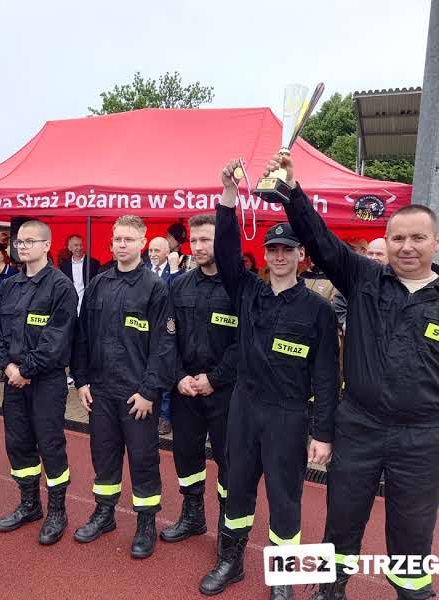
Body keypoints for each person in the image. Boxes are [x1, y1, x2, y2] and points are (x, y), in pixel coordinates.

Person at [263, 152, 439, 600]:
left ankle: (412, 592)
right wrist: (292, 193)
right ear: (386, 242)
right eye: (397, 238)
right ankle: (330, 589)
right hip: (359, 427)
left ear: (437, 241)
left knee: (413, 529)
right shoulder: (364, 279)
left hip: (421, 437)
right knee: (343, 519)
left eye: (417, 238)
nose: (406, 246)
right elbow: (320, 241)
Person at [199, 164, 339, 600]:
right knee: (236, 488)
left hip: (289, 415)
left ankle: (281, 580)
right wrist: (227, 195)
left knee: (285, 501)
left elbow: (327, 376)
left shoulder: (318, 310)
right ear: (265, 255)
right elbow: (224, 252)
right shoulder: (248, 291)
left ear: (301, 255)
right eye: (272, 249)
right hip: (245, 406)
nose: (278, 255)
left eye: (287, 249)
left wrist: (322, 432)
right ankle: (231, 561)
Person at [70, 215, 176, 559]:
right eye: (117, 239)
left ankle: (146, 523)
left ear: (143, 243)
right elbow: (82, 337)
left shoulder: (155, 288)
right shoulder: (99, 284)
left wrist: (148, 392)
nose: (122, 244)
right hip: (100, 391)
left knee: (143, 460)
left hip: (137, 396)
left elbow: (164, 345)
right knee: (103, 456)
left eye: (129, 239)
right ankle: (105, 514)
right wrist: (81, 380)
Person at [0, 220, 78, 545]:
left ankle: (57, 511)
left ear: (46, 245)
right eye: (19, 242)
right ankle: (29, 505)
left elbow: (57, 339)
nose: (22, 246)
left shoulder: (61, 287)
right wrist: (8, 366)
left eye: (29, 241)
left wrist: (26, 370)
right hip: (13, 380)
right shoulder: (9, 286)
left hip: (45, 382)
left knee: (50, 445)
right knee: (18, 444)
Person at [160, 213, 237, 556]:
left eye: (207, 239)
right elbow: (167, 337)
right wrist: (178, 377)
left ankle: (226, 524)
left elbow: (245, 342)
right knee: (186, 455)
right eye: (196, 240)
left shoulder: (240, 286)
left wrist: (215, 378)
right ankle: (193, 516)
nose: (200, 246)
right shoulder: (178, 285)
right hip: (186, 391)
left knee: (228, 460)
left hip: (225, 392)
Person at [147, 236, 180, 434]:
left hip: (166, 331)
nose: (152, 255)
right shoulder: (143, 270)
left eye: (157, 251)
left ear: (167, 253)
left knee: (166, 375)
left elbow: (177, 294)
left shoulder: (176, 272)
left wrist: (175, 270)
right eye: (150, 250)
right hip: (147, 332)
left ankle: (166, 417)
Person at [59, 234, 100, 314]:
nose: (79, 248)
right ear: (69, 248)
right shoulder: (64, 266)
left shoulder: (93, 263)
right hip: (70, 307)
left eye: (81, 245)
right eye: (76, 245)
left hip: (88, 307)